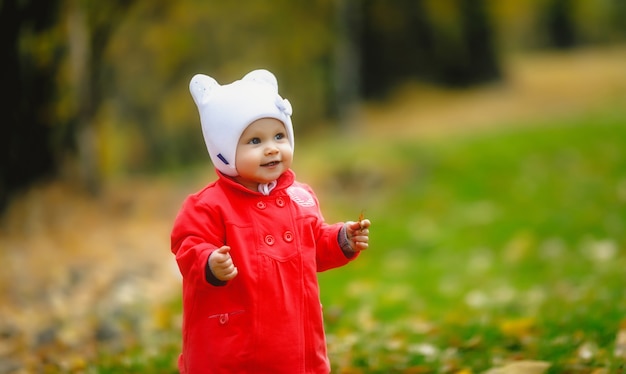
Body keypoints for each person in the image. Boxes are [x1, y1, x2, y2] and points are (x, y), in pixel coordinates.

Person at [171, 69, 371, 374]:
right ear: (224, 151)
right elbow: (188, 246)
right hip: (236, 346)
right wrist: (209, 262)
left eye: (279, 136)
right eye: (254, 140)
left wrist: (342, 238)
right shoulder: (208, 205)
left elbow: (314, 244)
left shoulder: (300, 196)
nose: (271, 148)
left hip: (297, 340)